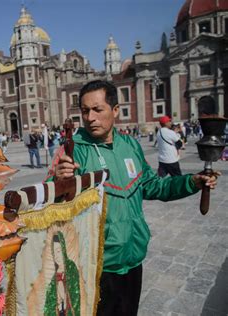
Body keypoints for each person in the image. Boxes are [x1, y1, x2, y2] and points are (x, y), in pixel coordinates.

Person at [51, 80, 219, 316]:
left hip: (132, 259)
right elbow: (50, 205)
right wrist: (58, 182)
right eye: (85, 111)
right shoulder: (73, 150)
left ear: (115, 110)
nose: (90, 117)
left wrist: (192, 182)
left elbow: (152, 186)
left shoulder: (130, 145)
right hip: (97, 266)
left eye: (98, 109)